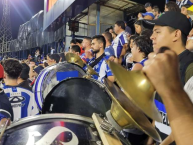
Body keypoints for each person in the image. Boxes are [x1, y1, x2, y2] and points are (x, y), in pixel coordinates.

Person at [144, 11, 193, 145]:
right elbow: (159, 112)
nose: (152, 37)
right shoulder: (162, 66)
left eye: (158, 32)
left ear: (176, 34)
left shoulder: (190, 68)